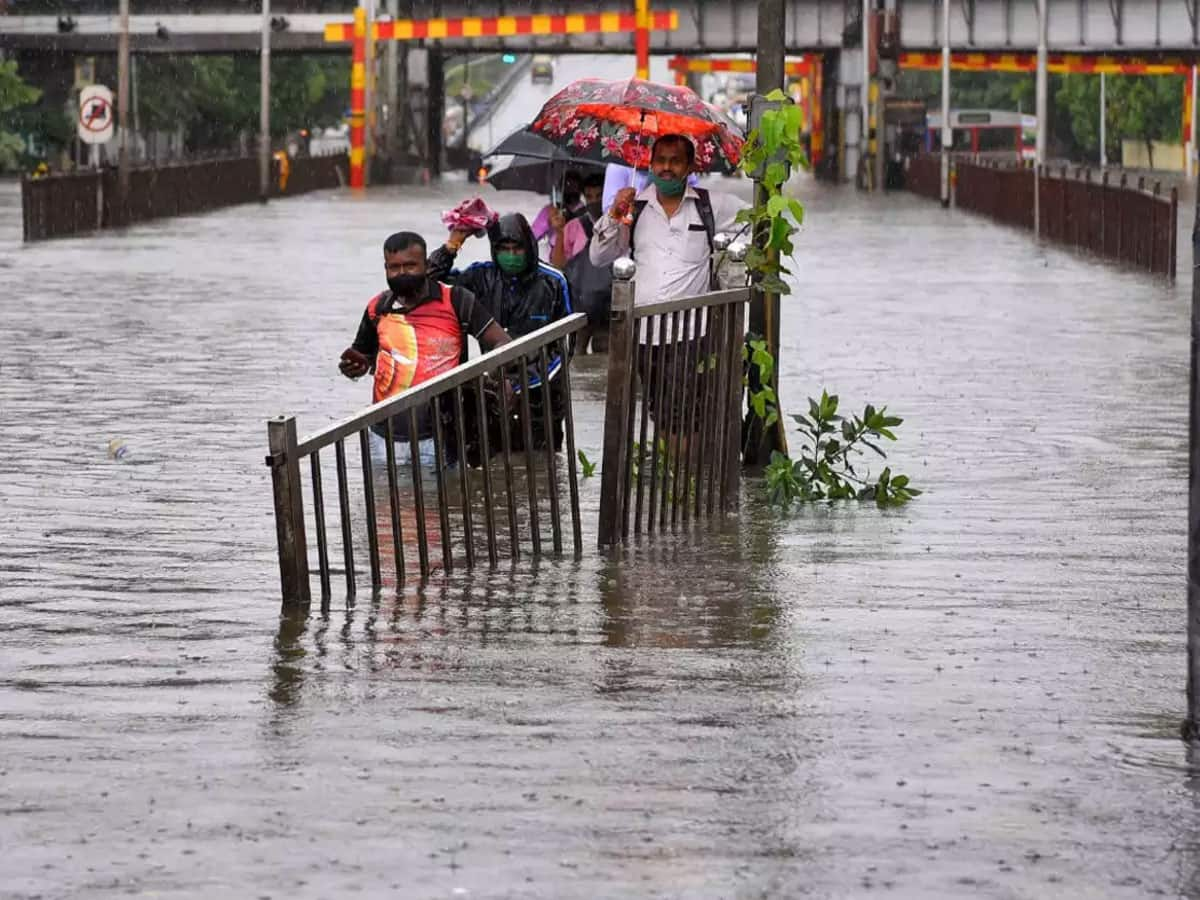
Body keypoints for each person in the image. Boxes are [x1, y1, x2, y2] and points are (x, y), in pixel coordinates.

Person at [589, 134, 747, 437]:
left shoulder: (711, 206)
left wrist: (735, 262)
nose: (666, 168)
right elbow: (598, 256)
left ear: (690, 166)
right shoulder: (633, 210)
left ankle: (681, 475)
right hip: (645, 334)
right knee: (658, 412)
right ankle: (676, 475)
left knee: (680, 416)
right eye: (660, 160)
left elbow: (759, 221)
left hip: (692, 333)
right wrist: (613, 214)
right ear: (650, 164)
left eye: (675, 161)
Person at [338, 231, 511, 461]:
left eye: (410, 266)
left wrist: (493, 374)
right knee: (385, 497)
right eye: (394, 267)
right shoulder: (378, 307)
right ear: (386, 268)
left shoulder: (456, 300)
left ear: (426, 264)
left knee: (443, 497)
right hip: (383, 438)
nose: (402, 274)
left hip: (440, 437)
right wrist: (353, 368)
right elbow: (363, 356)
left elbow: (501, 341)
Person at [427, 212, 574, 449]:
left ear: (529, 247)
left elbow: (567, 345)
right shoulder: (480, 276)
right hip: (495, 390)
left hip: (543, 395)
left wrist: (521, 383)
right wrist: (454, 243)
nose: (511, 255)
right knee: (494, 464)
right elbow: (427, 283)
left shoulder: (554, 282)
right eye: (504, 249)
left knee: (542, 466)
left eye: (517, 249)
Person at [557, 172, 612, 352]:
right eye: (589, 196)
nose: (593, 201)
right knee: (575, 353)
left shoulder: (616, 225)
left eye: (599, 196)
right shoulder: (572, 227)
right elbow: (558, 264)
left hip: (609, 306)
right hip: (581, 305)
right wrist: (559, 231)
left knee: (605, 351)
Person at [531, 169, 583, 260]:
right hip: (555, 257)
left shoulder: (584, 212)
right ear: (560, 188)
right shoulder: (551, 210)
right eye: (567, 187)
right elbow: (533, 236)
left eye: (574, 188)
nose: (571, 191)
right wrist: (547, 222)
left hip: (578, 258)